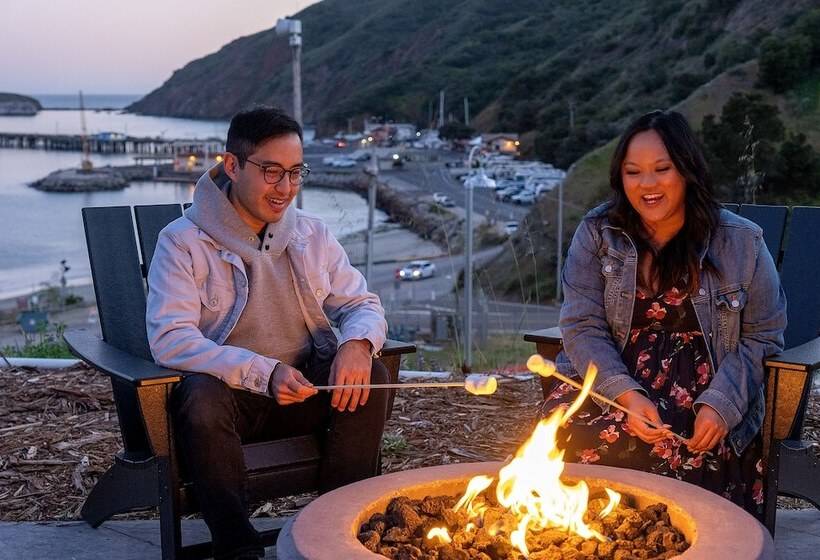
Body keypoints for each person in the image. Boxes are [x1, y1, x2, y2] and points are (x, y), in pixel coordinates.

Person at [146, 106, 389, 560]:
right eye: (272, 172)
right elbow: (170, 338)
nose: (286, 189)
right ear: (233, 166)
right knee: (199, 396)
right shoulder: (183, 242)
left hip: (303, 391)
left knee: (368, 374)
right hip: (227, 405)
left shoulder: (311, 234)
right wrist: (262, 371)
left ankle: (335, 533)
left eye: (296, 173)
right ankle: (238, 549)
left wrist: (356, 344)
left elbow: (362, 304)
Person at [542, 110, 786, 518]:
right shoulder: (599, 233)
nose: (647, 184)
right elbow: (582, 325)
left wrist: (722, 405)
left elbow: (763, 335)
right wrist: (626, 396)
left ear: (687, 170)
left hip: (710, 384)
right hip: (609, 378)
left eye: (662, 169)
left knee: (690, 457)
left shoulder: (740, 242)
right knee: (569, 442)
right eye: (633, 172)